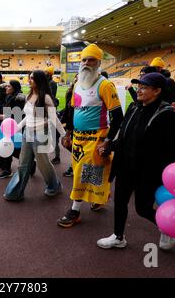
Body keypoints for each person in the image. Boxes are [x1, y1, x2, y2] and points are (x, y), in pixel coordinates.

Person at [97, 72, 175, 250]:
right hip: (124, 166)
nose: (139, 90)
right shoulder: (133, 107)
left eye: (144, 87)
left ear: (157, 91)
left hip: (149, 171)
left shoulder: (169, 115)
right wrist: (109, 146)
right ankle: (118, 236)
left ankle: (166, 227)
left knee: (143, 208)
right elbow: (125, 136)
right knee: (120, 202)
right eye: (139, 86)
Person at [57, 44, 124, 227]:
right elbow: (71, 112)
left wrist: (107, 141)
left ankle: (74, 211)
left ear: (99, 62)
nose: (86, 63)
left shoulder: (105, 85)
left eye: (91, 60)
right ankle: (100, 195)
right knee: (92, 172)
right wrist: (68, 134)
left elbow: (118, 117)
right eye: (84, 60)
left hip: (96, 138)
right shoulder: (78, 84)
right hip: (78, 138)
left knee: (81, 174)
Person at [4, 70, 65, 201]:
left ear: (39, 80)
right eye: (29, 77)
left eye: (32, 78)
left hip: (41, 134)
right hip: (27, 133)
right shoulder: (29, 95)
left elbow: (54, 119)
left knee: (44, 164)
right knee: (23, 164)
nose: (29, 80)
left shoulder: (46, 98)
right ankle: (15, 192)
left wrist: (64, 135)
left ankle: (54, 186)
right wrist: (17, 128)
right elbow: (28, 117)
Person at [0, 80, 26, 178]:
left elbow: (16, 115)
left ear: (14, 88)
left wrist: (2, 116)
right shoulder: (9, 97)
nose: (6, 88)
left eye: (8, 86)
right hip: (7, 125)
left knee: (7, 145)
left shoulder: (18, 99)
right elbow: (4, 108)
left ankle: (7, 169)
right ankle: (2, 162)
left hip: (15, 126)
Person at [60, 72, 79, 177]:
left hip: (78, 124)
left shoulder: (83, 93)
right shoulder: (71, 91)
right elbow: (68, 108)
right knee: (67, 143)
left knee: (74, 145)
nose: (76, 79)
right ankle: (75, 162)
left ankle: (74, 165)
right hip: (70, 122)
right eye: (75, 78)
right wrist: (63, 118)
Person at [45, 66, 61, 165]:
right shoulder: (49, 83)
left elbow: (50, 96)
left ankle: (57, 156)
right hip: (48, 109)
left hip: (50, 110)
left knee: (53, 134)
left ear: (49, 74)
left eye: (46, 73)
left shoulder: (52, 83)